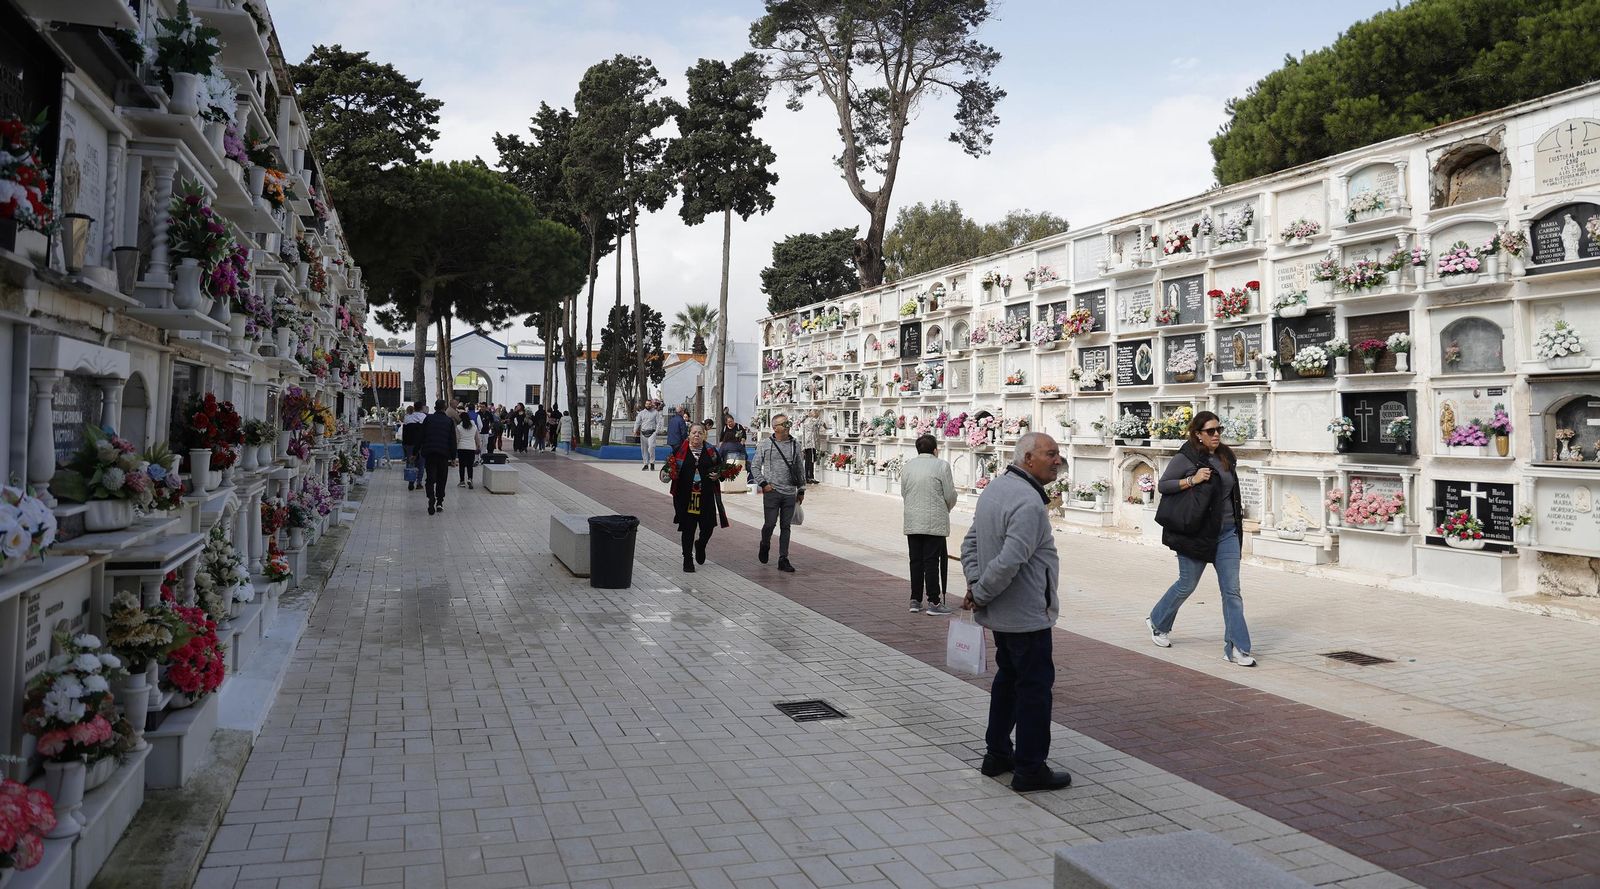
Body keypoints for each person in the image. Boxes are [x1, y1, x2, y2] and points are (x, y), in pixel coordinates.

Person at [961, 431, 1071, 793]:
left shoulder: (996, 489)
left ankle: (997, 754)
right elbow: (1012, 558)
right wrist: (982, 591)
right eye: (1050, 454)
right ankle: (1030, 767)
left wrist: (977, 585)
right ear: (1028, 459)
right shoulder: (1027, 501)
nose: (1057, 460)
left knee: (1008, 682)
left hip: (1004, 613)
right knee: (1035, 691)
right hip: (1026, 615)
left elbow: (970, 543)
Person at [1146, 411, 1253, 667]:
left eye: (1219, 429)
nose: (1216, 435)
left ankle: (1237, 648)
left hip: (1227, 532)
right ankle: (1158, 621)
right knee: (1187, 584)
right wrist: (1191, 480)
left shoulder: (1226, 456)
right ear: (1198, 434)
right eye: (1210, 431)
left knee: (1232, 591)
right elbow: (1164, 485)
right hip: (1198, 533)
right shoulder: (1187, 457)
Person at [902, 434, 957, 615]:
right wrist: (945, 509)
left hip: (913, 519)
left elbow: (905, 492)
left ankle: (915, 600)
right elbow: (949, 495)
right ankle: (934, 601)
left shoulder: (908, 466)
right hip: (935, 521)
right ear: (935, 450)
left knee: (915, 561)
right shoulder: (941, 465)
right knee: (932, 561)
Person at [667, 423, 728, 573]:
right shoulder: (679, 451)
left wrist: (719, 474)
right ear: (688, 435)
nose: (697, 435)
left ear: (704, 435)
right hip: (685, 497)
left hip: (706, 497)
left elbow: (722, 468)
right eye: (694, 432)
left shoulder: (711, 451)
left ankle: (700, 545)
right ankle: (687, 558)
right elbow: (668, 471)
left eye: (700, 433)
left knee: (708, 527)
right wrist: (667, 474)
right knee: (688, 529)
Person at [751, 413, 805, 573]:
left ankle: (783, 558)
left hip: (790, 492)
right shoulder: (765, 444)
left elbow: (800, 468)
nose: (787, 426)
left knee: (786, 526)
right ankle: (765, 543)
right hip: (772, 491)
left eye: (788, 423)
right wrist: (763, 484)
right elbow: (754, 466)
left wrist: (801, 489)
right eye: (784, 424)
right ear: (775, 428)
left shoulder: (795, 444)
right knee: (770, 524)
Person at [419, 400, 456, 515]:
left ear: (435, 408)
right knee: (442, 478)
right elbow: (452, 440)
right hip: (443, 454)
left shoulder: (428, 419)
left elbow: (421, 436)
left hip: (430, 453)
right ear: (444, 408)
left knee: (430, 478)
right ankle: (439, 502)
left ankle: (431, 497)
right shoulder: (449, 421)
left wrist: (415, 452)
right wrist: (453, 457)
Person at [401, 402, 427, 492]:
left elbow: (404, 432)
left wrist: (404, 444)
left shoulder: (407, 417)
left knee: (410, 463)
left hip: (409, 444)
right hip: (421, 444)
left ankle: (411, 481)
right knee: (421, 464)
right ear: (422, 407)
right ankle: (419, 482)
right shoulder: (424, 417)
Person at [634, 399, 662, 471]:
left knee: (651, 448)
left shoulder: (655, 413)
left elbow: (659, 423)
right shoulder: (641, 413)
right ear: (645, 405)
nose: (648, 405)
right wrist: (635, 430)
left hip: (652, 433)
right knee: (644, 450)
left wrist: (656, 432)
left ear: (651, 404)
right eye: (646, 404)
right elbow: (637, 422)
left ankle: (652, 463)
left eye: (649, 404)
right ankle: (646, 464)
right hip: (643, 433)